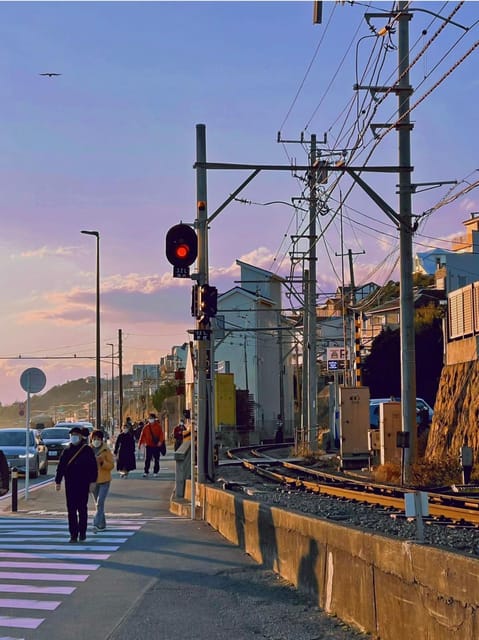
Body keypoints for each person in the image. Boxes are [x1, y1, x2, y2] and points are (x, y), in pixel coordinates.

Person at [55, 426, 98, 542]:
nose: (73, 437)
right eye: (71, 435)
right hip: (70, 484)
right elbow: (61, 467)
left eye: (75, 435)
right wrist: (58, 481)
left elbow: (93, 467)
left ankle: (82, 532)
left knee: (82, 509)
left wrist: (93, 481)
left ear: (80, 436)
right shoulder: (67, 451)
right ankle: (73, 534)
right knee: (71, 510)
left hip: (83, 484)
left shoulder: (87, 450)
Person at [90, 429, 114, 532]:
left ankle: (95, 524)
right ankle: (102, 524)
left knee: (100, 502)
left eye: (98, 439)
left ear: (101, 439)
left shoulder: (106, 450)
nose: (96, 441)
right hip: (93, 481)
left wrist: (102, 462)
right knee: (98, 504)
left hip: (104, 480)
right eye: (94, 439)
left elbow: (111, 465)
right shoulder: (88, 450)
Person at [138, 412, 165, 477]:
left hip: (156, 446)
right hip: (148, 445)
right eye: (149, 418)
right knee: (147, 459)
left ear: (154, 419)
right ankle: (146, 471)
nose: (150, 419)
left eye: (151, 418)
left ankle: (155, 472)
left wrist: (160, 442)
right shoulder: (146, 427)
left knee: (156, 459)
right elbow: (142, 435)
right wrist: (140, 444)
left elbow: (161, 434)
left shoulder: (158, 426)